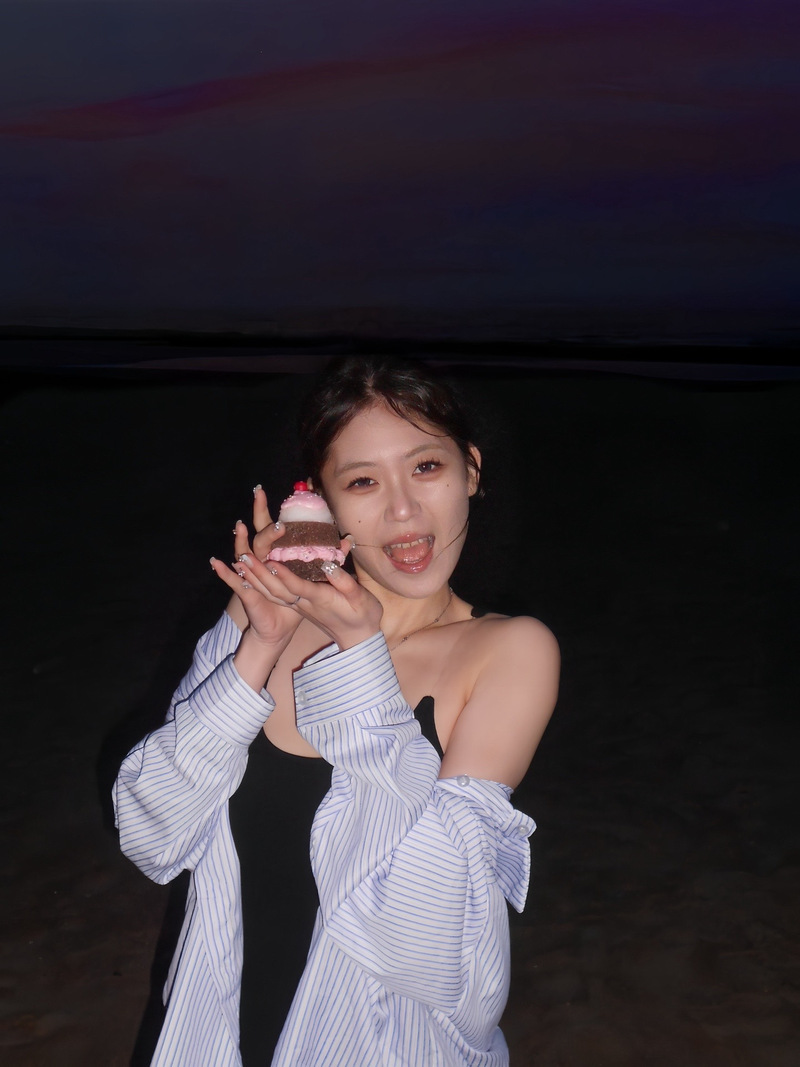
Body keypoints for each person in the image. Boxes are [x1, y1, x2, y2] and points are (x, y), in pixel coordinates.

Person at [114, 356, 560, 1066]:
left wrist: (360, 656)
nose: (403, 510)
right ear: (321, 501)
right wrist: (259, 646)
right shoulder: (267, 613)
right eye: (362, 482)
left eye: (426, 467)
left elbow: (434, 943)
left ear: (472, 470)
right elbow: (153, 833)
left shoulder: (509, 650)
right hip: (212, 1035)